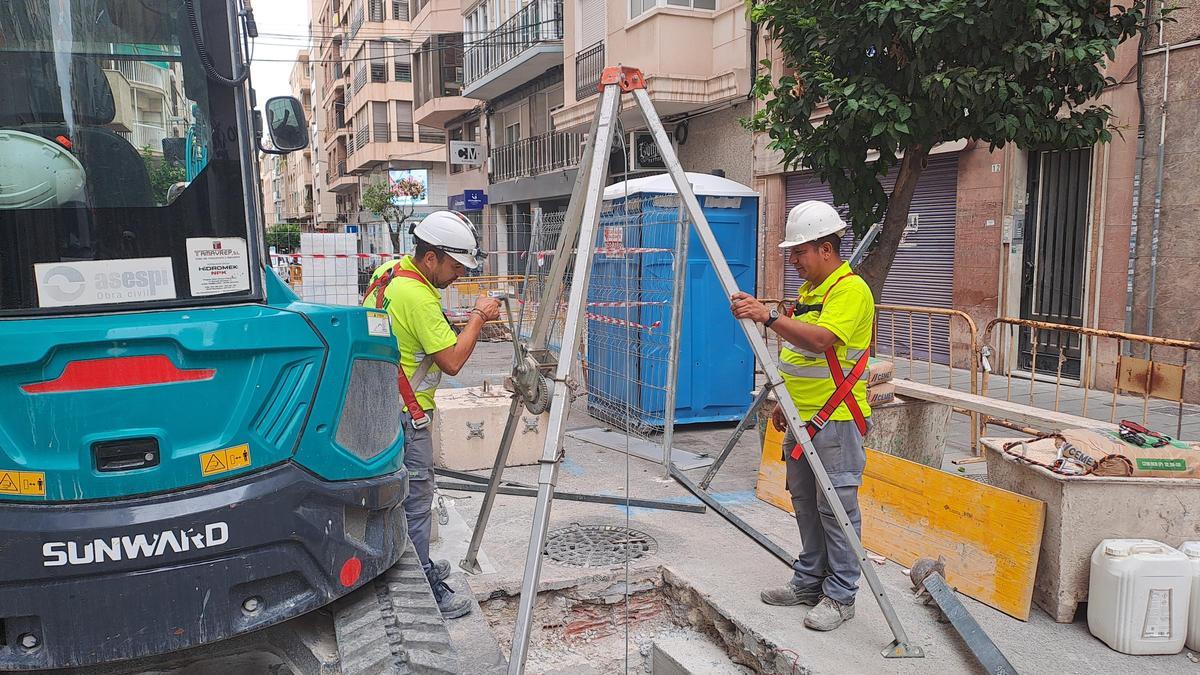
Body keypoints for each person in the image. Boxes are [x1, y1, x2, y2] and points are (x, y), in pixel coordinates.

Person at [729, 200, 875, 632]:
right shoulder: (813, 292)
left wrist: (768, 316)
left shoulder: (850, 291)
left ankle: (841, 595)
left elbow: (821, 342)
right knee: (807, 507)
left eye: (799, 251)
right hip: (801, 419)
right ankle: (809, 582)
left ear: (826, 249)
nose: (793, 260)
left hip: (836, 422)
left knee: (837, 510)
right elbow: (798, 359)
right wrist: (783, 404)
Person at [364, 210, 501, 619]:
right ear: (431, 258)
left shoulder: (389, 273)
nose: (459, 275)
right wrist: (477, 317)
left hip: (379, 401)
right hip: (409, 415)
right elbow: (453, 361)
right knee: (417, 500)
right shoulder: (420, 297)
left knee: (392, 497)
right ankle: (423, 585)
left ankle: (404, 565)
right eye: (456, 266)